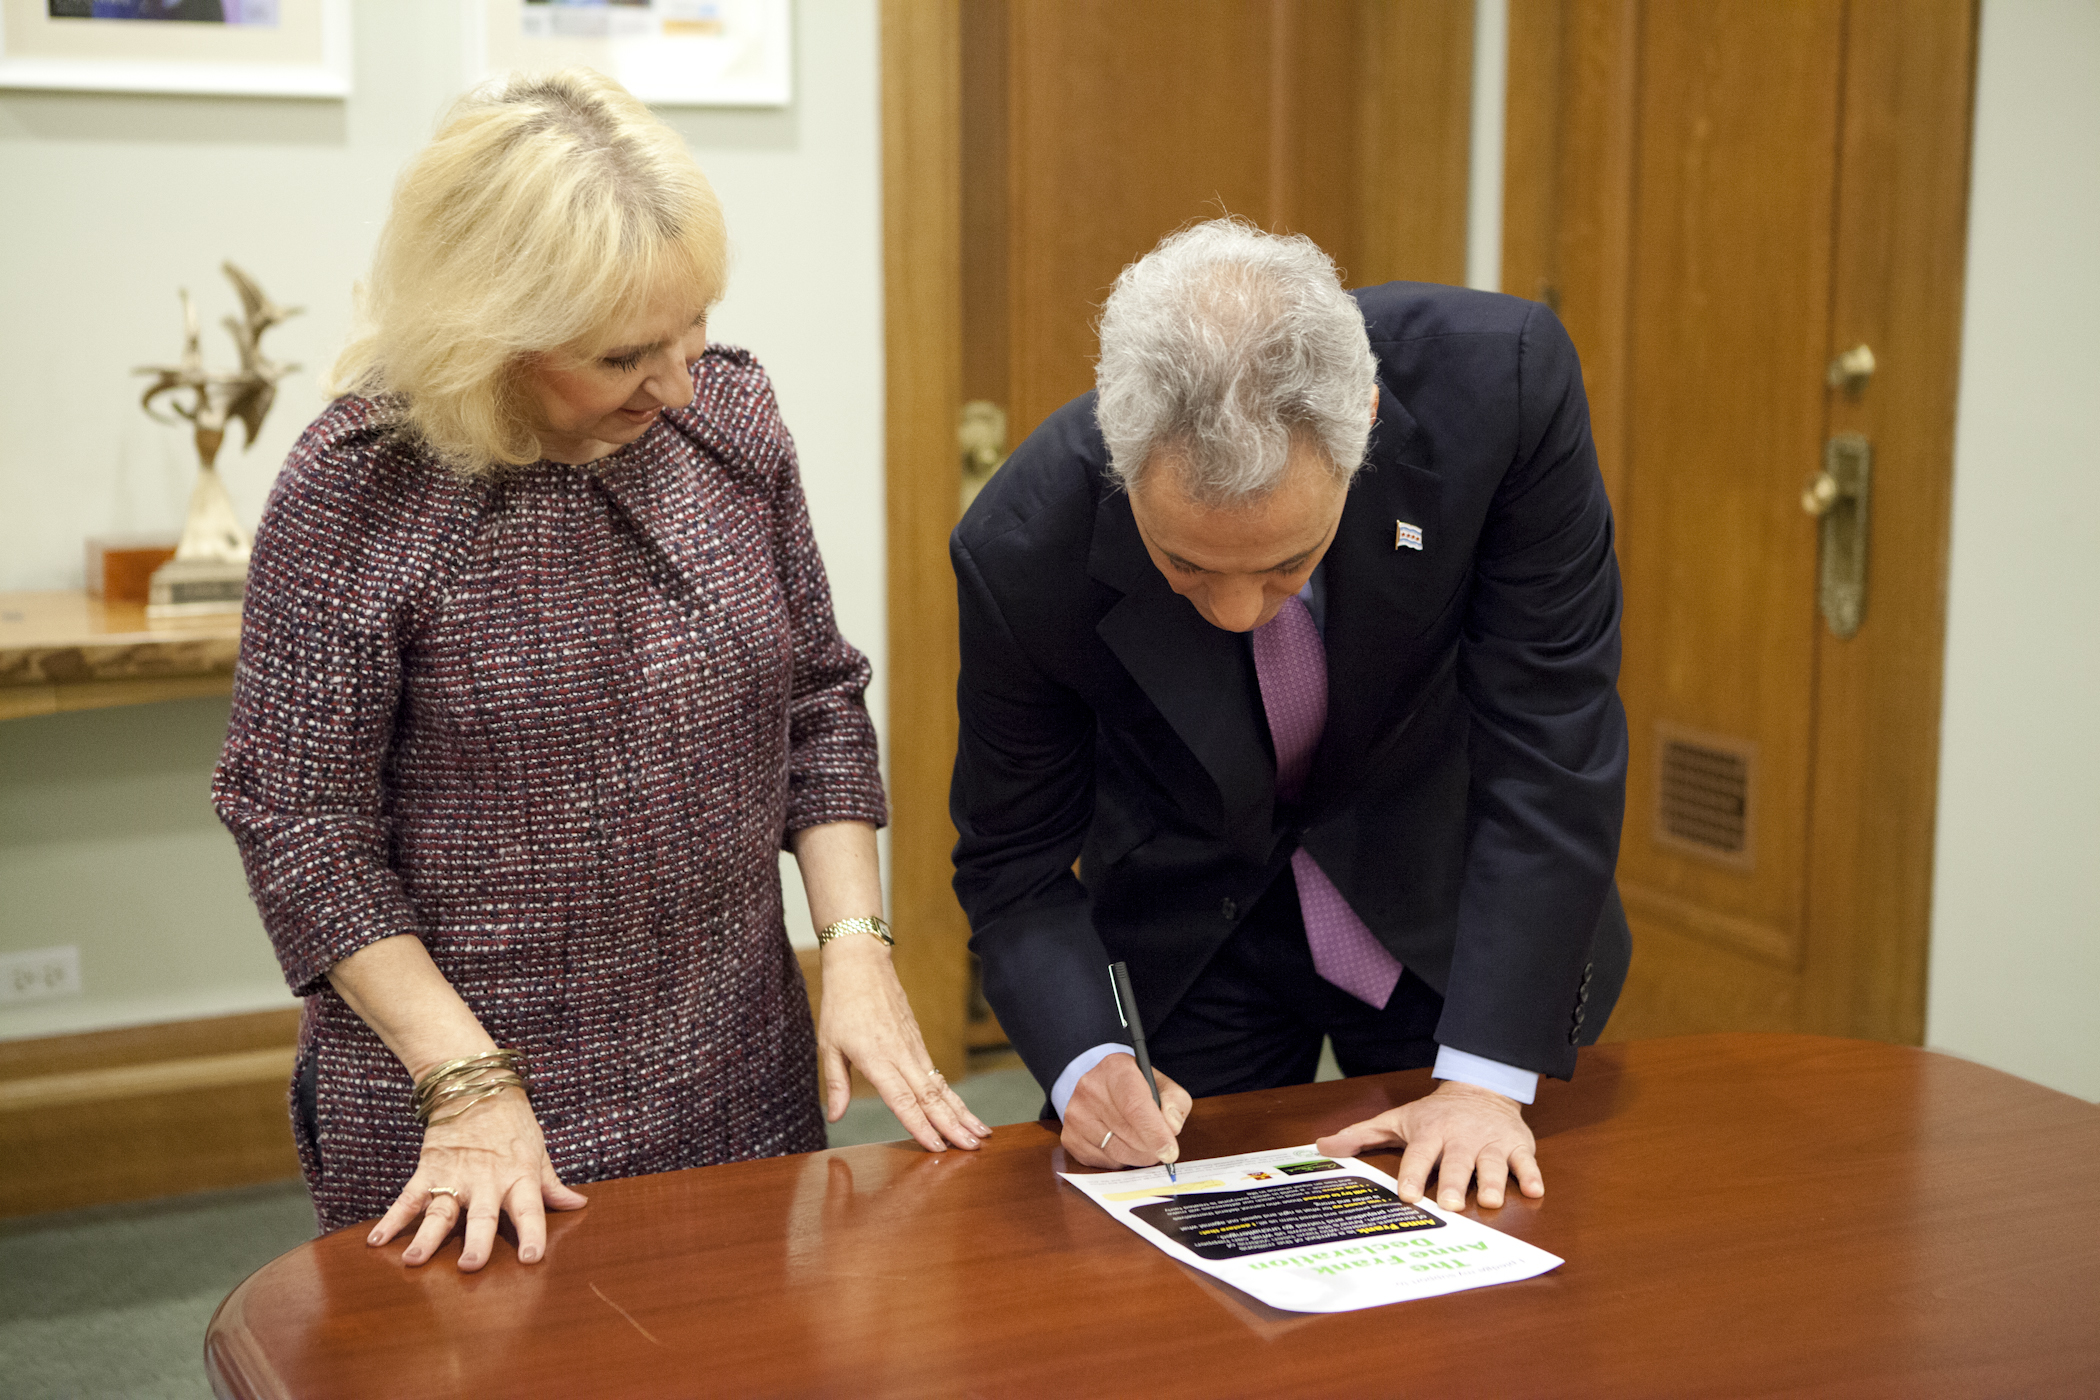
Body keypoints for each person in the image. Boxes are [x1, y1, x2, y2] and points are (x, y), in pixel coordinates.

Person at [214, 69, 988, 1271]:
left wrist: (857, 943)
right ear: (492, 333)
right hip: (468, 1115)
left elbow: (818, 700)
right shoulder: (364, 490)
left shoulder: (724, 423)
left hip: (736, 1074)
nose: (678, 382)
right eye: (627, 354)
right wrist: (467, 1085)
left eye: (693, 326)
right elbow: (298, 821)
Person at [950, 219, 1630, 1212]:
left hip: (1456, 910)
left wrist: (1486, 1075)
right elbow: (1013, 862)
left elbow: (1550, 736)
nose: (1233, 610)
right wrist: (1086, 1054)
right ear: (1118, 447)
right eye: (1184, 563)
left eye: (1286, 564)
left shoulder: (1502, 388)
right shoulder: (1023, 543)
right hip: (1195, 921)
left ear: (1363, 425)